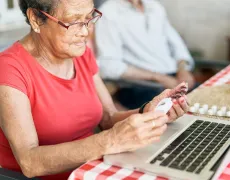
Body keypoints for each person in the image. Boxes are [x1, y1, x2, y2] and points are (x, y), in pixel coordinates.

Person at [0, 0, 189, 179]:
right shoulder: (9, 69)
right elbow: (29, 162)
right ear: (35, 18)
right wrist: (109, 141)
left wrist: (149, 111)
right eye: (73, 21)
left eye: (89, 18)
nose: (86, 32)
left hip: (93, 170)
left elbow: (108, 118)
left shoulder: (80, 53)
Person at [95, 0, 196, 109]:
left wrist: (183, 69)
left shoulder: (154, 6)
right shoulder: (108, 13)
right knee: (189, 114)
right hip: (143, 86)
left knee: (209, 102)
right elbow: (108, 66)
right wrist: (158, 77)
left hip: (175, 78)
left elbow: (177, 45)